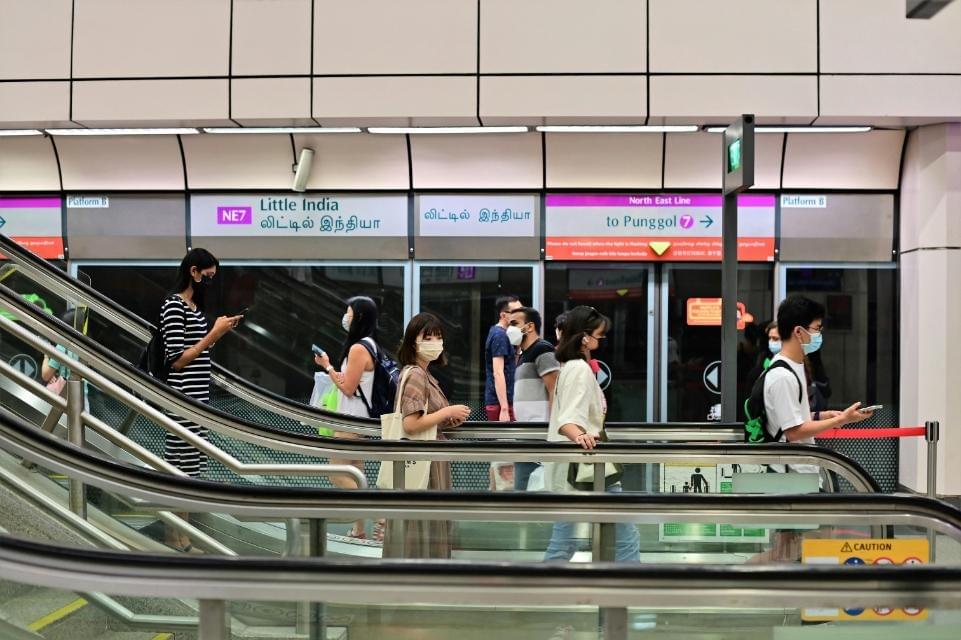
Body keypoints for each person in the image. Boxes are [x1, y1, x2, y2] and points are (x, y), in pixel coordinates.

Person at [543, 306, 640, 562]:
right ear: (585, 337)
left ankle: (543, 586)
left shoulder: (571, 366)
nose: (601, 339)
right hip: (588, 465)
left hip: (582, 468)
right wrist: (579, 436)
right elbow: (568, 420)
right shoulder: (579, 369)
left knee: (565, 539)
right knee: (625, 538)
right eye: (599, 335)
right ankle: (636, 587)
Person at [160, 249, 241, 551]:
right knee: (180, 471)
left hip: (197, 402)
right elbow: (177, 360)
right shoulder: (173, 306)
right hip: (182, 400)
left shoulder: (193, 307)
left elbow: (196, 351)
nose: (210, 282)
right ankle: (176, 538)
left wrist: (218, 332)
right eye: (207, 276)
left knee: (189, 471)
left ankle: (182, 538)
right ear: (193, 272)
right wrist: (213, 334)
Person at [382, 312, 471, 559]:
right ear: (413, 342)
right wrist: (447, 411)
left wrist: (446, 418)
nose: (435, 342)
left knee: (422, 522)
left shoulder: (423, 374)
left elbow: (425, 419)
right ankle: (419, 576)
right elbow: (411, 424)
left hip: (429, 460)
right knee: (423, 523)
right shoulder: (417, 375)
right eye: (428, 337)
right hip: (425, 463)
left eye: (438, 337)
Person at [314, 296, 380, 540]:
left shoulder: (359, 348)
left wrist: (328, 367)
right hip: (359, 419)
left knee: (337, 473)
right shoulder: (370, 345)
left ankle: (381, 516)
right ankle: (359, 529)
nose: (345, 316)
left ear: (359, 316)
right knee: (356, 474)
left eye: (349, 312)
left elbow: (348, 387)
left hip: (350, 420)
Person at [509, 307, 559, 490]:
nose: (510, 329)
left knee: (527, 490)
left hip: (539, 433)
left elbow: (554, 388)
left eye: (514, 323)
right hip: (526, 433)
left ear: (529, 326)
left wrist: (552, 429)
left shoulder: (542, 349)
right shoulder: (523, 355)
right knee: (523, 487)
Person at [485, 294, 523, 422]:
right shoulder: (500, 335)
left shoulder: (507, 334)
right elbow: (498, 372)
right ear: (503, 315)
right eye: (516, 312)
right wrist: (504, 408)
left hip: (506, 400)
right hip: (500, 403)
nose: (520, 315)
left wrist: (517, 348)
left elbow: (511, 366)